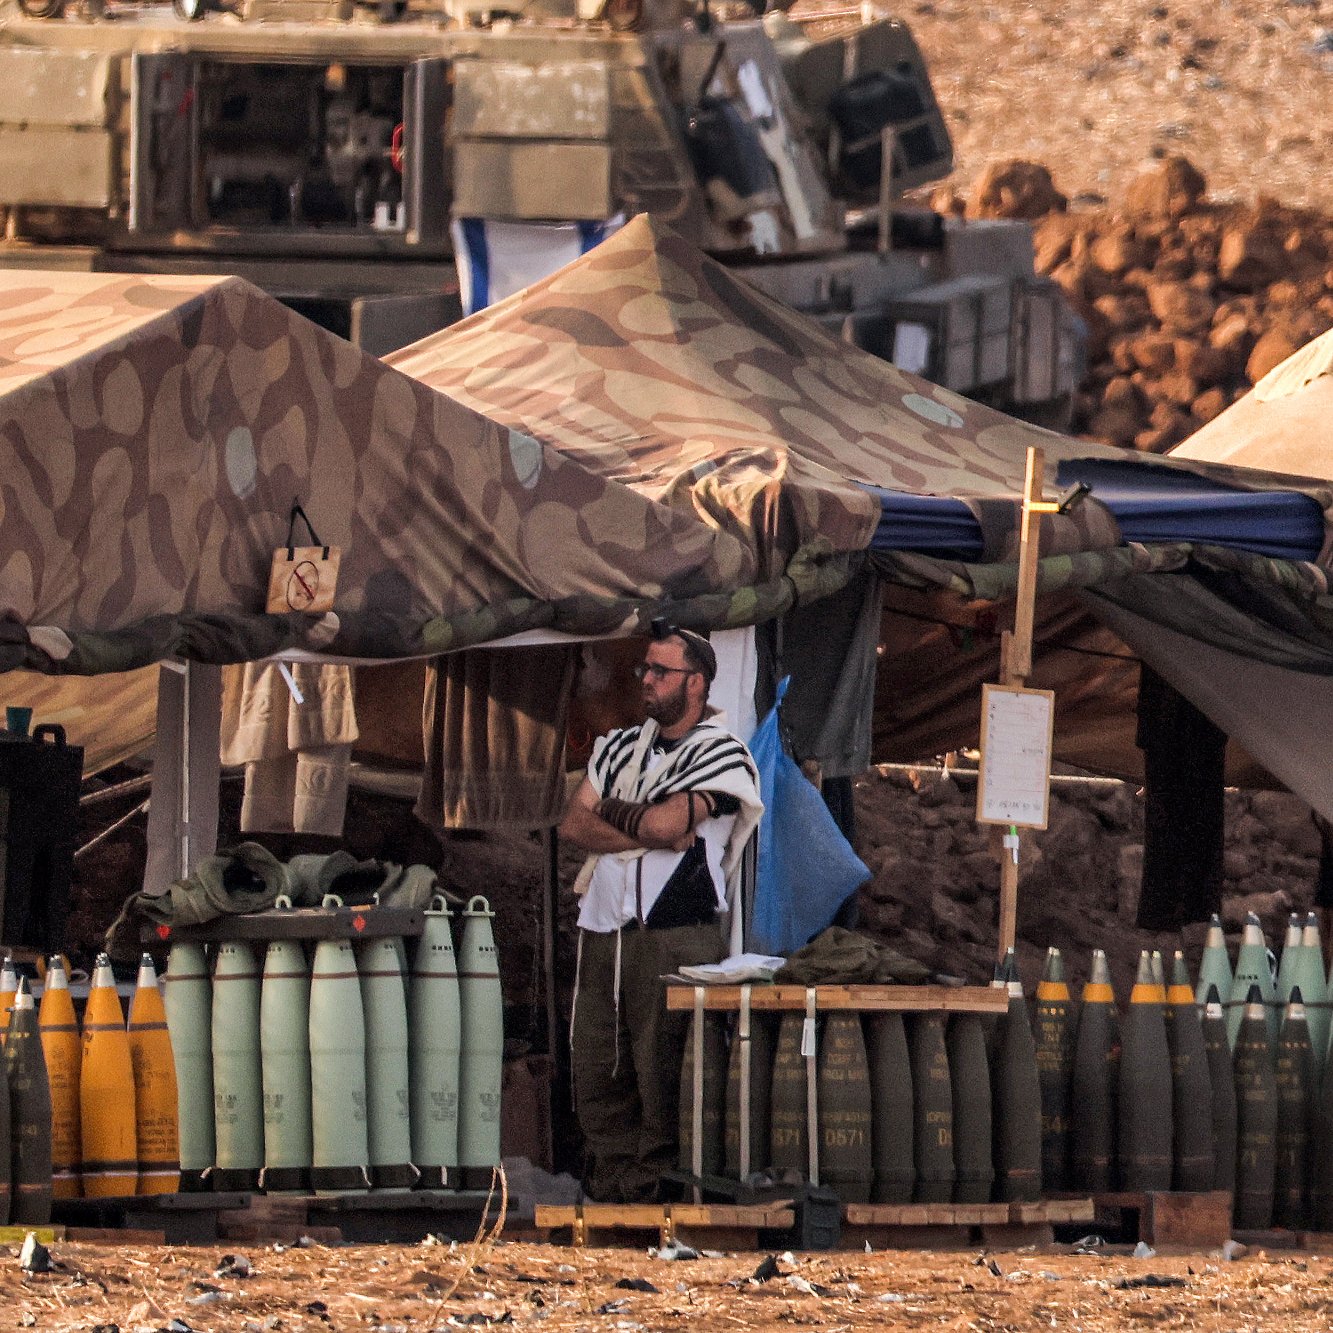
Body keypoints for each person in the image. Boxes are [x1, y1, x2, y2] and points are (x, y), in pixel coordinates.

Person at [559, 623, 762, 1203]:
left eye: (660, 671)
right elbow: (574, 823)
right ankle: (614, 1186)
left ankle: (660, 1192)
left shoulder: (722, 753)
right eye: (643, 669)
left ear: (694, 683)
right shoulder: (619, 746)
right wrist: (646, 830)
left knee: (664, 1066)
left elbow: (667, 823)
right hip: (606, 927)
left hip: (675, 931)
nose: (646, 679)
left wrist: (625, 817)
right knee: (599, 1062)